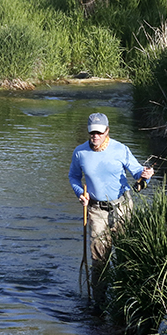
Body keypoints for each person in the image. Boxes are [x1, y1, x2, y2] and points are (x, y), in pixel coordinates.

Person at [68, 112, 153, 291]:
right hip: (96, 210)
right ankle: (99, 299)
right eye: (92, 132)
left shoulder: (120, 149)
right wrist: (79, 193)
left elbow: (138, 173)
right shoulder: (80, 152)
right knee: (99, 258)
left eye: (99, 132)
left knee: (125, 253)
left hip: (122, 207)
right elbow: (74, 177)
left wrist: (145, 175)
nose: (95, 136)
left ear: (107, 131)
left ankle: (124, 294)